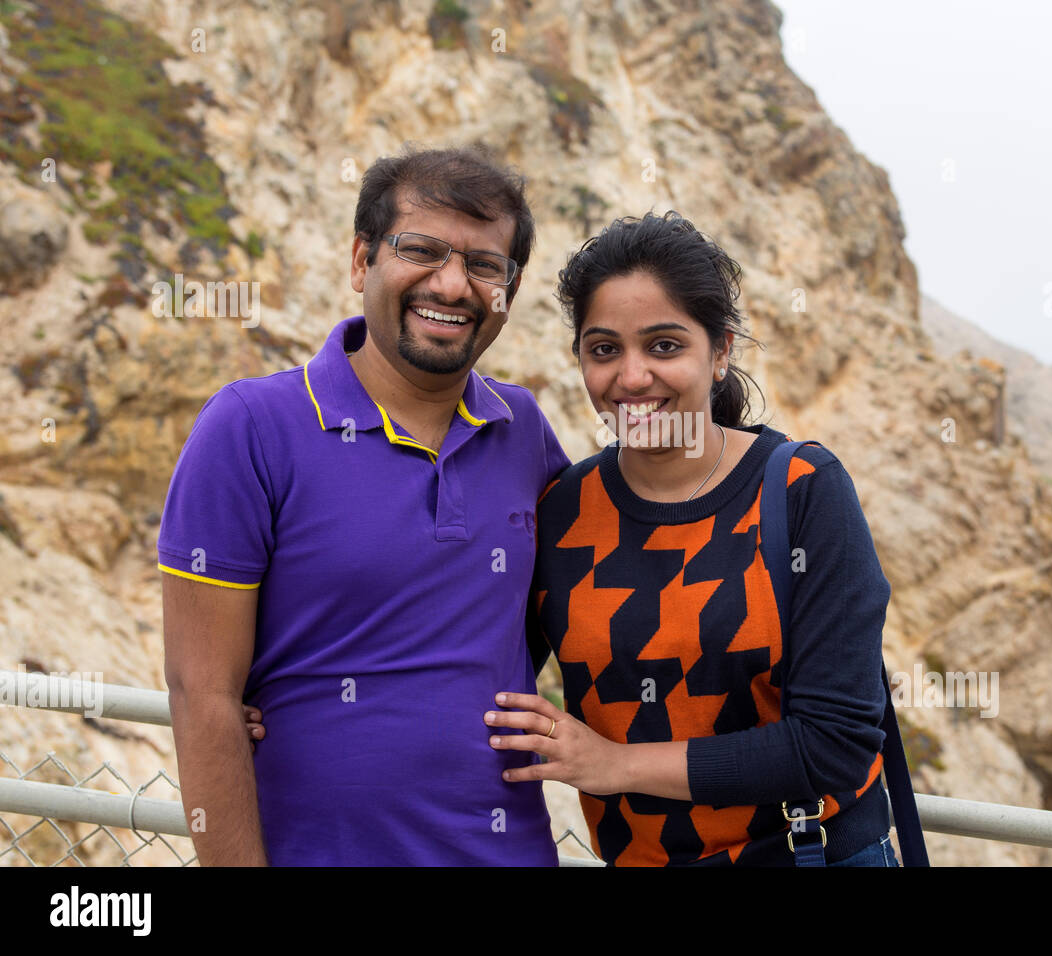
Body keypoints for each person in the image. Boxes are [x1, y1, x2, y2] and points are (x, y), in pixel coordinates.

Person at [160, 145, 569, 865]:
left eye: (485, 265)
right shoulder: (250, 427)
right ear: (362, 260)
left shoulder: (524, 430)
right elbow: (202, 695)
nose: (452, 284)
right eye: (421, 250)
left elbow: (566, 605)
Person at [483, 211, 900, 866]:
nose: (631, 377)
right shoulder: (562, 512)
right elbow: (478, 674)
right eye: (603, 349)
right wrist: (285, 703)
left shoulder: (800, 489)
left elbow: (834, 745)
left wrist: (618, 765)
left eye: (665, 345)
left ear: (721, 350)